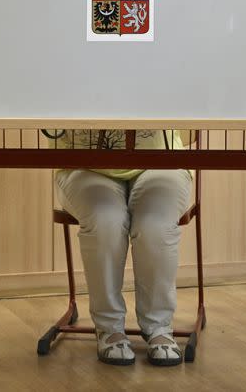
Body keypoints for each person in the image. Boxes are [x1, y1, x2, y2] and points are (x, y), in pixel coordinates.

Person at [51, 129, 194, 366]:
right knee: (105, 221)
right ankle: (109, 329)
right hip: (83, 164)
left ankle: (159, 327)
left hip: (162, 160)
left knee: (155, 225)